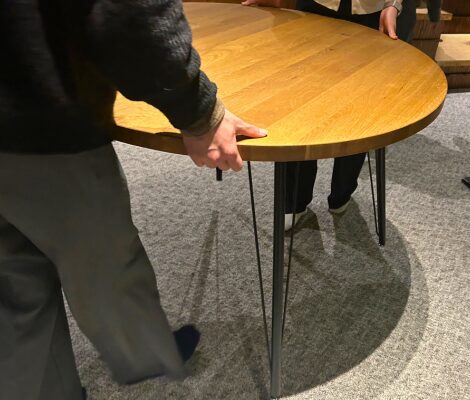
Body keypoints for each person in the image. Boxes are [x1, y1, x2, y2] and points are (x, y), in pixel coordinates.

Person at [0, 0, 265, 399]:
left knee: (16, 287)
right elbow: (132, 15)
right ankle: (146, 350)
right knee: (103, 258)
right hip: (42, 115)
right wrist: (199, 110)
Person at [243, 0, 440, 230]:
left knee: (360, 109)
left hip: (372, 10)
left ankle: (343, 192)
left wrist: (393, 4)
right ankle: (294, 201)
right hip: (316, 6)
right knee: (300, 104)